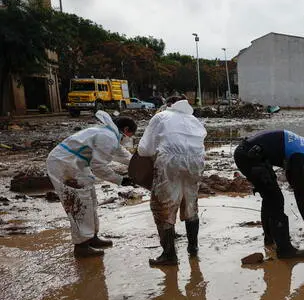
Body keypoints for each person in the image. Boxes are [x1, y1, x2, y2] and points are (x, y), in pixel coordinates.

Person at [47, 111, 136, 257]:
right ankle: (81, 246)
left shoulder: (109, 134)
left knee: (91, 200)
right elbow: (99, 167)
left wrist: (139, 164)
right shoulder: (108, 137)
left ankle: (92, 237)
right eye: (130, 135)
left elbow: (123, 155)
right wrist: (121, 180)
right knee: (80, 204)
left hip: (74, 164)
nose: (128, 139)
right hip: (64, 164)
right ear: (126, 130)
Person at [233, 130, 304, 259]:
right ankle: (285, 250)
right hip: (249, 158)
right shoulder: (300, 155)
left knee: (270, 197)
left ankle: (270, 239)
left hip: (250, 154)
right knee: (276, 200)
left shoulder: (300, 144)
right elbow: (298, 191)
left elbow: (292, 177)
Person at [138, 96, 207, 266]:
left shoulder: (161, 117)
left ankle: (169, 255)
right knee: (190, 203)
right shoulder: (194, 119)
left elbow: (144, 150)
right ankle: (193, 249)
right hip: (196, 162)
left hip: (170, 162)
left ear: (168, 105)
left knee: (163, 207)